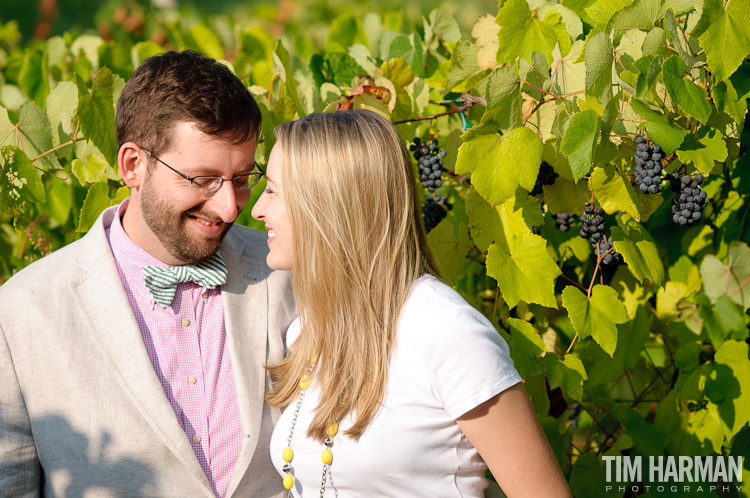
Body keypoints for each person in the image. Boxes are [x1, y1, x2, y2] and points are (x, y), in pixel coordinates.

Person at [0, 51, 295, 498]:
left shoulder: (286, 273)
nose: (229, 207)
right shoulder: (24, 312)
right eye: (202, 179)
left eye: (240, 178)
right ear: (133, 165)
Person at [251, 109, 572, 497]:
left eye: (272, 190)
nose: (257, 209)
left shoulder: (446, 331)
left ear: (325, 205)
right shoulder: (307, 330)